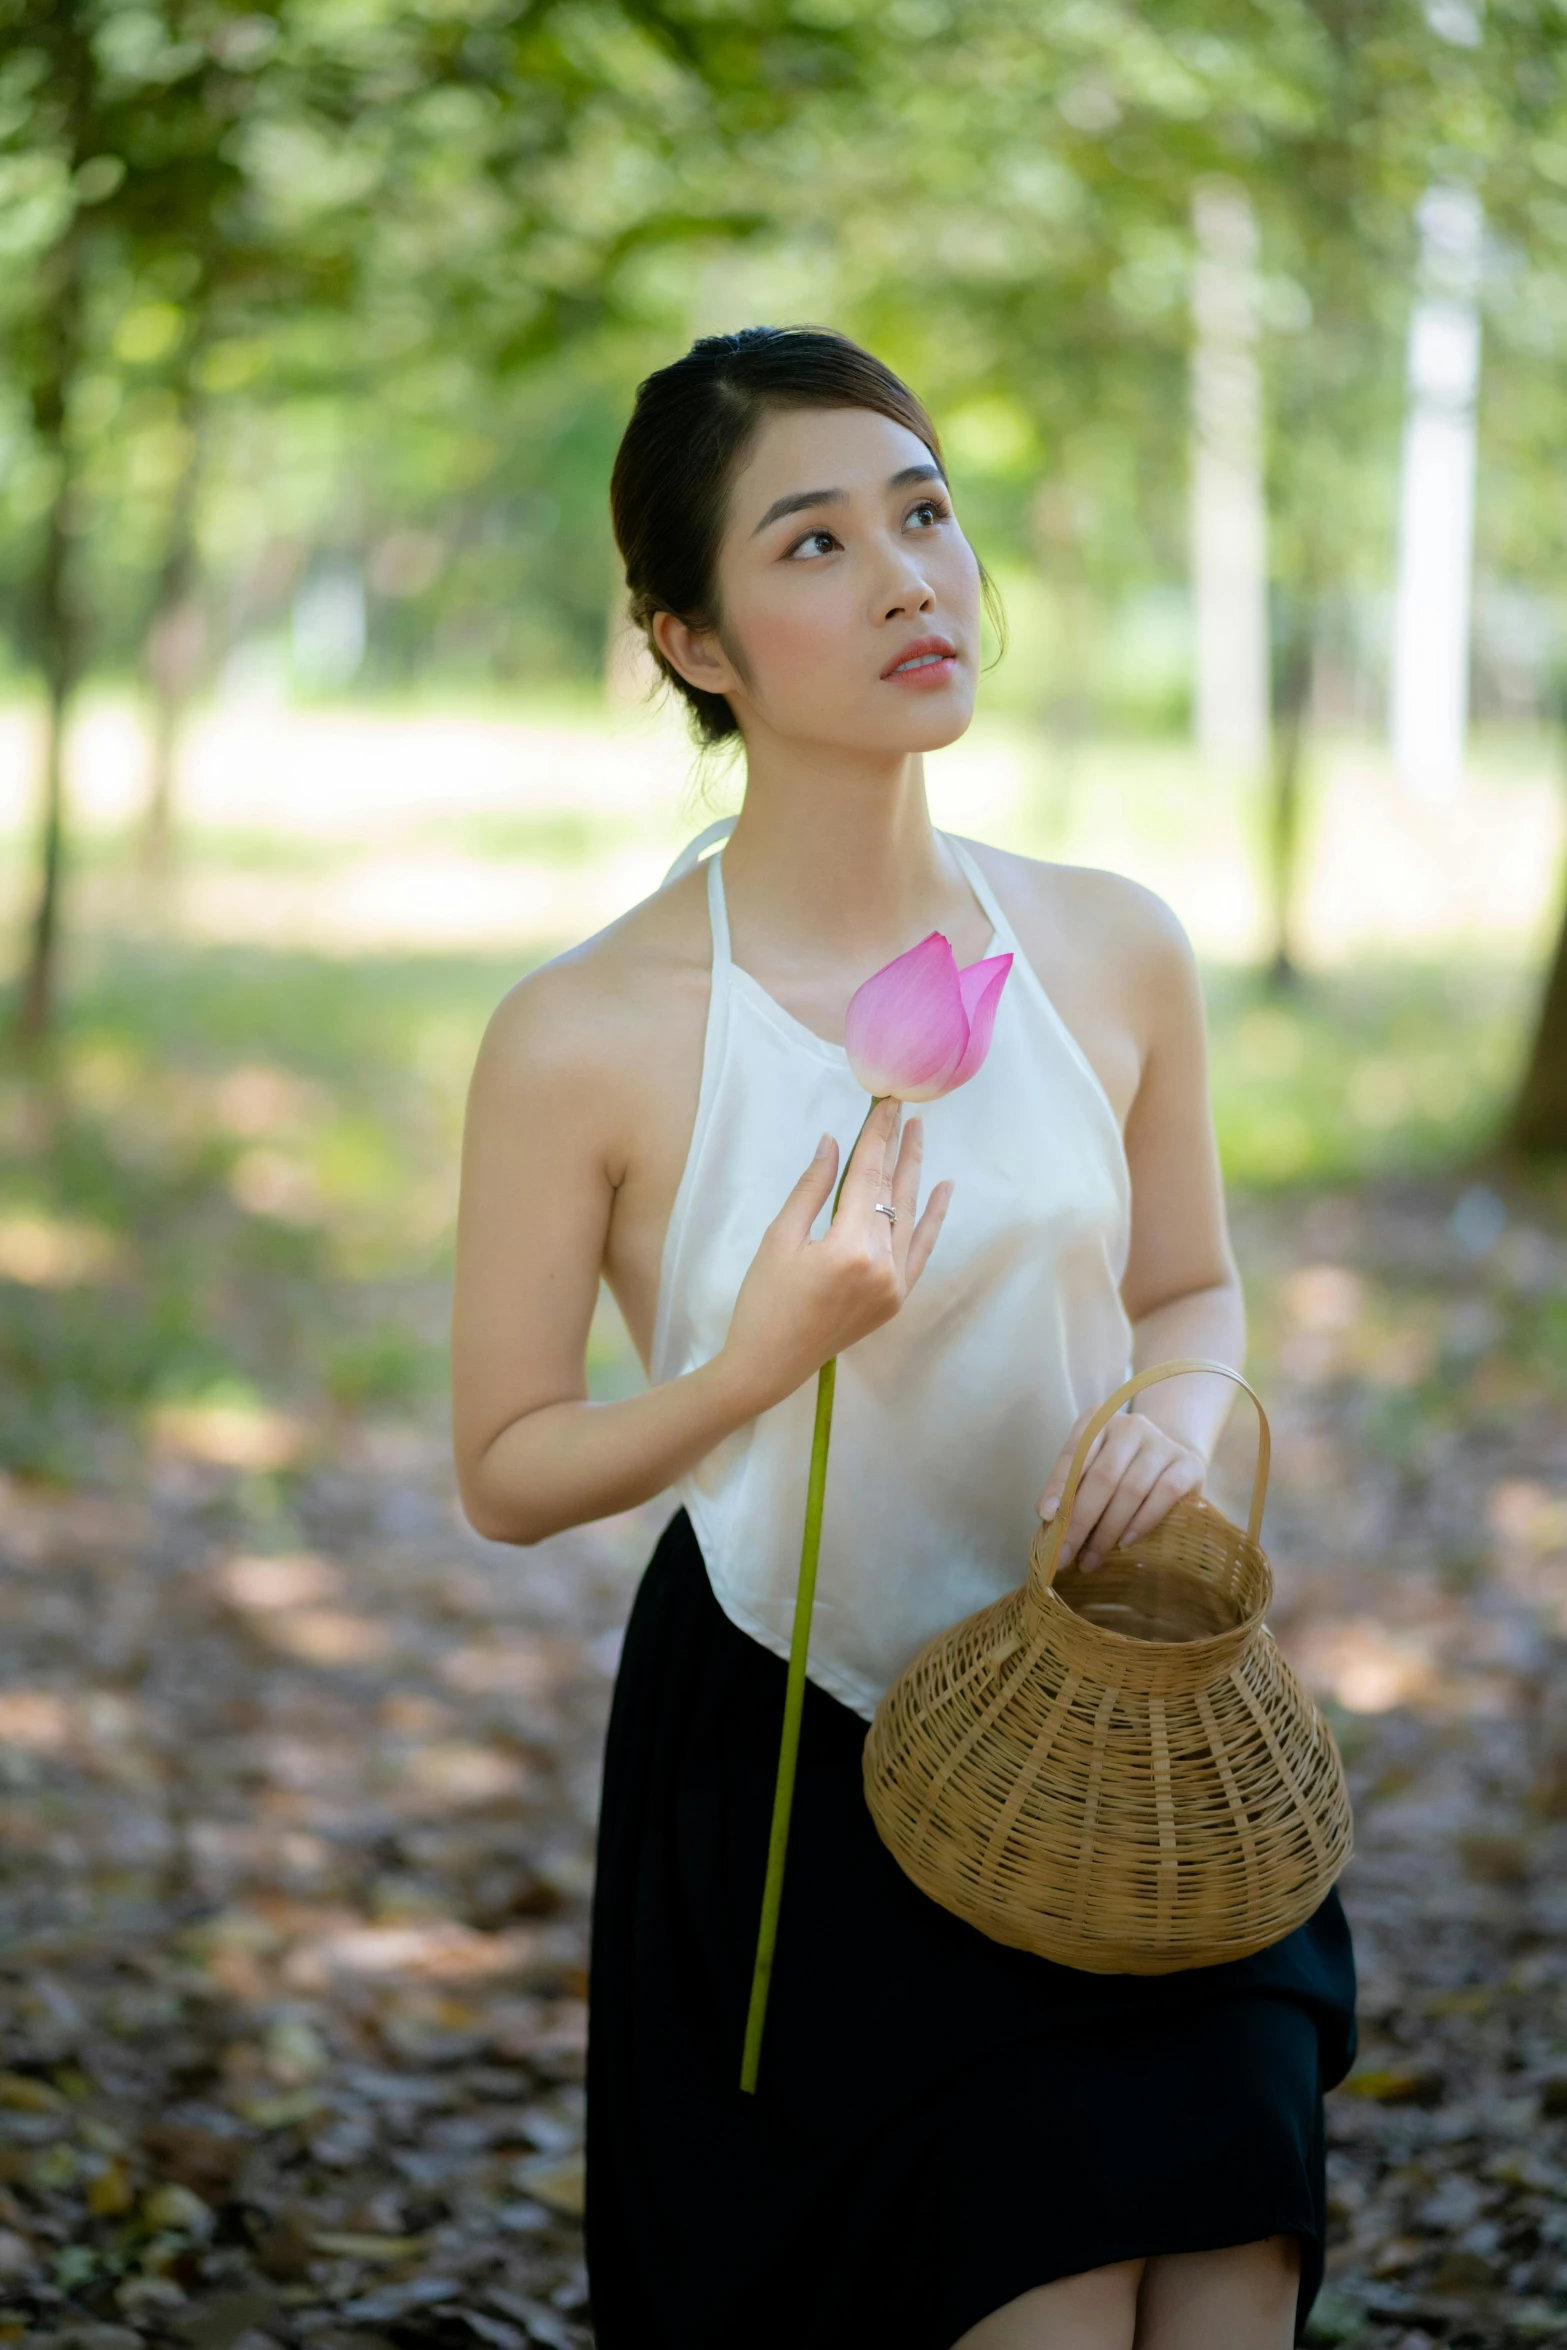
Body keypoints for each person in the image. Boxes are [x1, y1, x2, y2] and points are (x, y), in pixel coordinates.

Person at [450, 325, 1355, 2350]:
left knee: (1228, 2278)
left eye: (925, 515)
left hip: (1131, 1718)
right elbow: (505, 1467)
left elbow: (1189, 1288)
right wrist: (758, 1357)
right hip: (803, 1755)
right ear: (694, 640)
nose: (908, 579)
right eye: (818, 541)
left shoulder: (1112, 941)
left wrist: (1193, 1415)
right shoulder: (583, 1032)